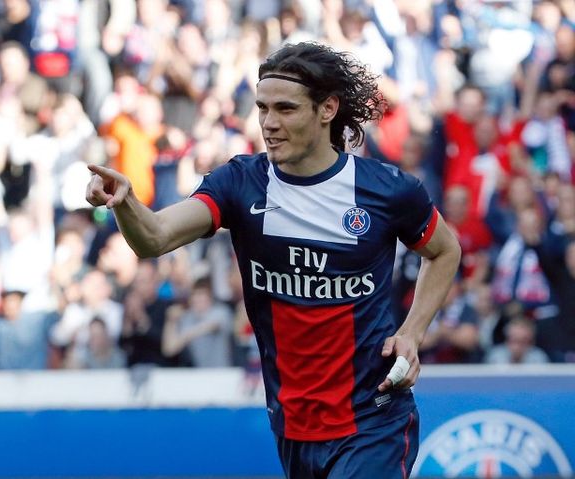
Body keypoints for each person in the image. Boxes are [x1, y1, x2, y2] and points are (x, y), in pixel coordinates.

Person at [85, 42, 461, 479]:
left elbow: (444, 249)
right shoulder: (241, 184)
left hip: (373, 416)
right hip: (294, 425)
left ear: (327, 109)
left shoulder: (386, 190)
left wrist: (412, 332)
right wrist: (125, 203)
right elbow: (155, 238)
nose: (268, 123)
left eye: (285, 109)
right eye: (263, 108)